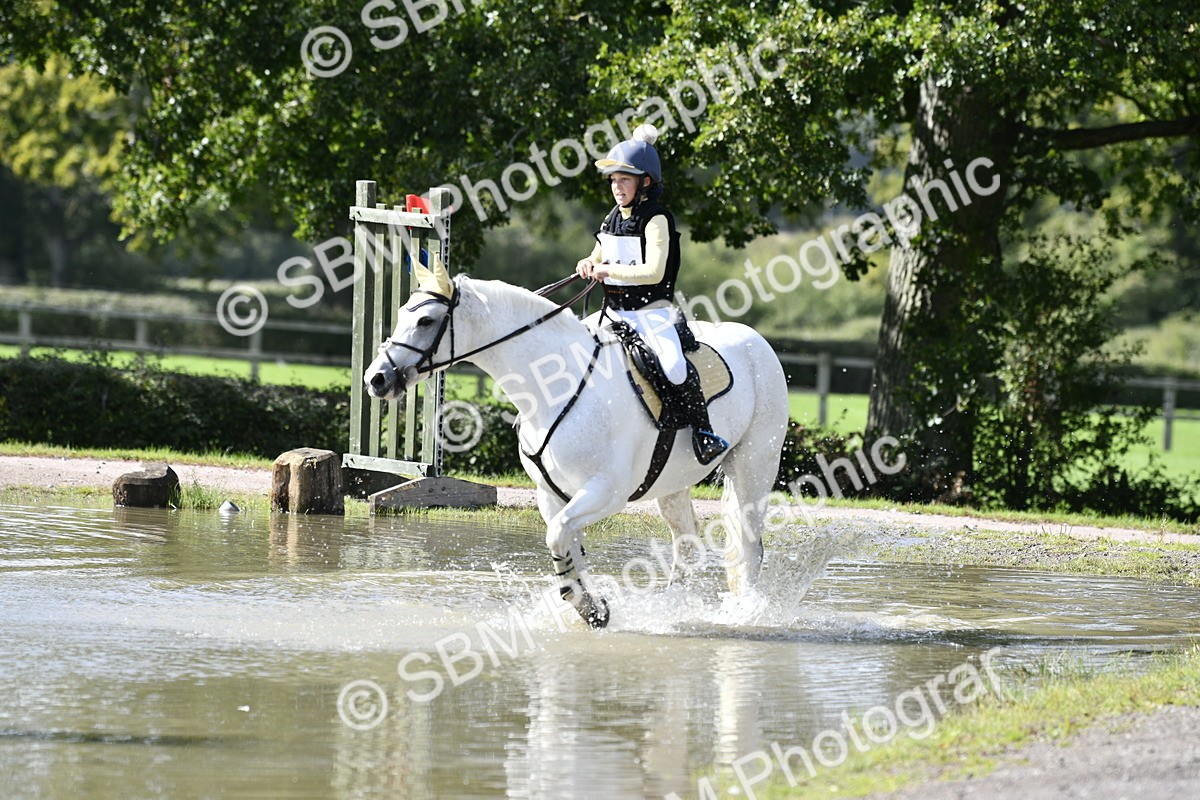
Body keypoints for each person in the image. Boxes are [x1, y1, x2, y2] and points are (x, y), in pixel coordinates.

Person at [575, 124, 729, 465]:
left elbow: (653, 272)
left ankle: (704, 433)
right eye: (614, 180)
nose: (617, 187)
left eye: (624, 180)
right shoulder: (613, 217)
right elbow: (598, 252)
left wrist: (608, 270)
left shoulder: (656, 218)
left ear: (645, 182)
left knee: (674, 367)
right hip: (614, 311)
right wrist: (588, 262)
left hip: (652, 312)